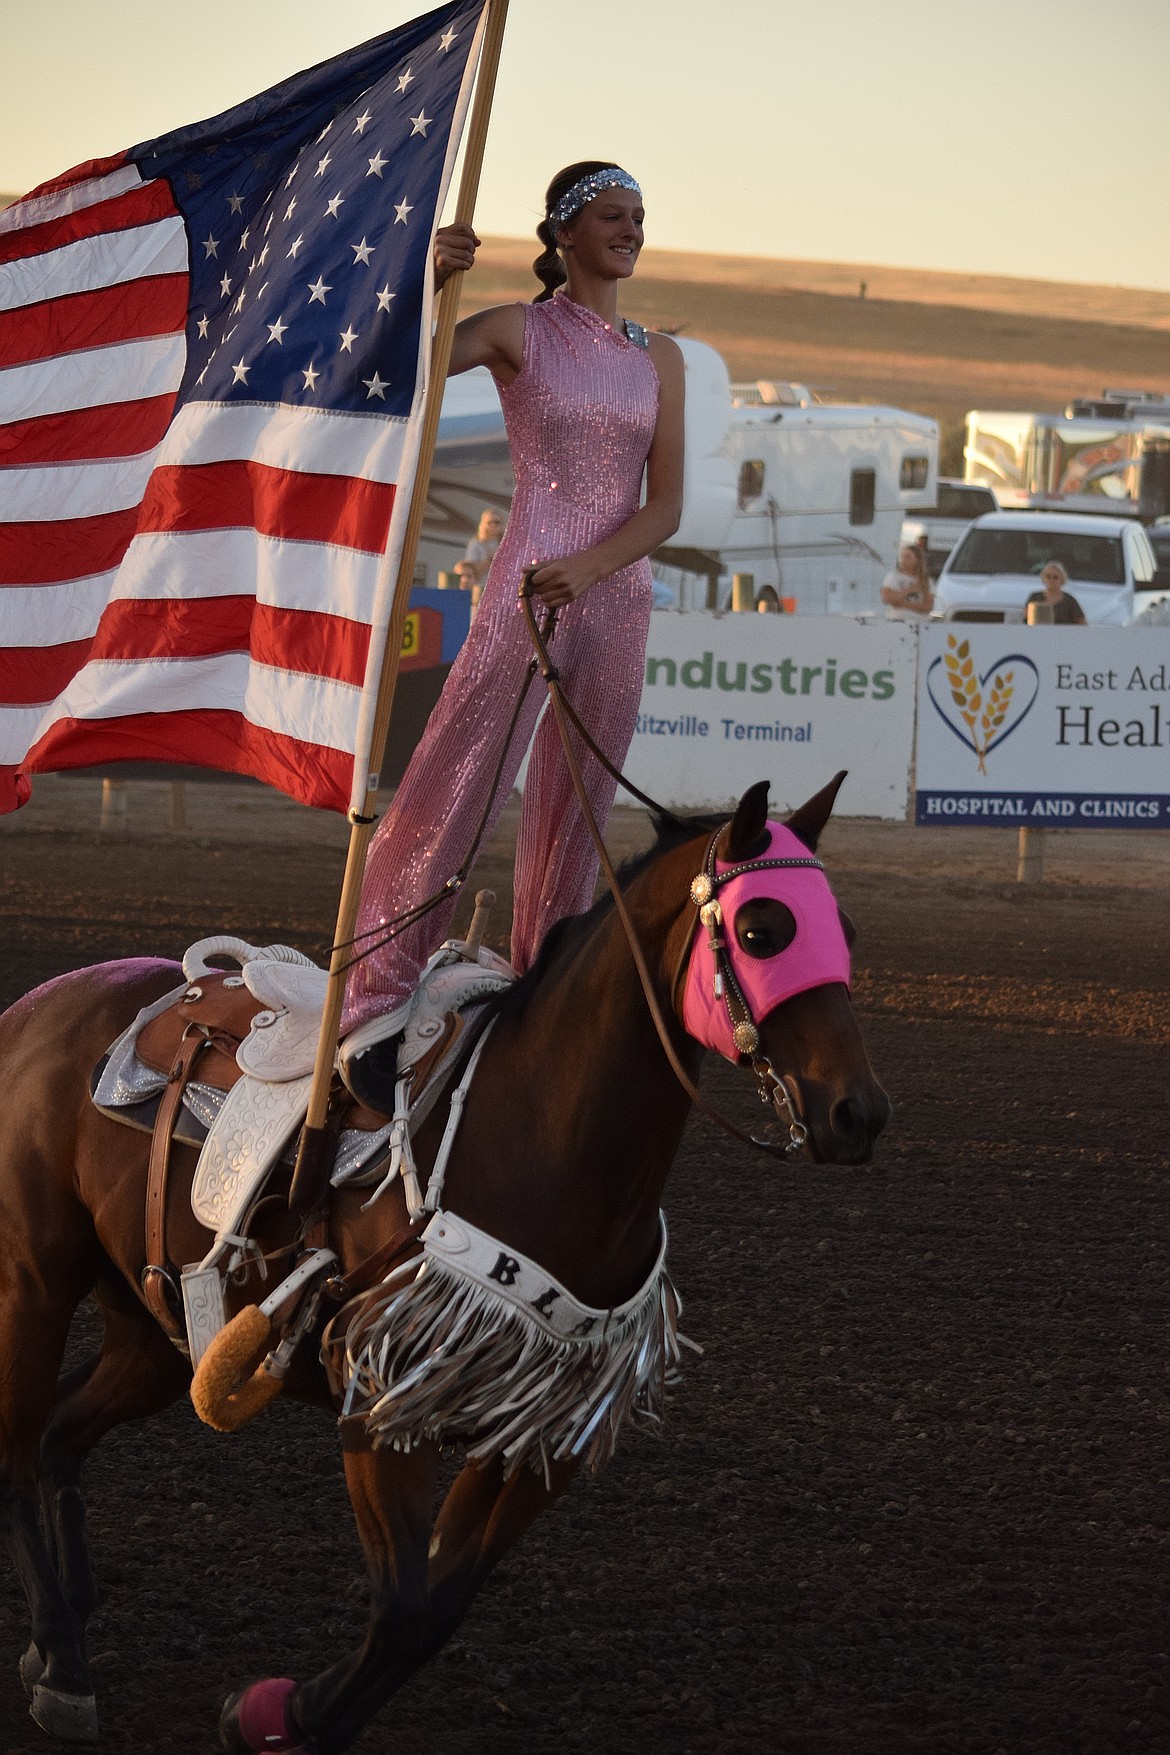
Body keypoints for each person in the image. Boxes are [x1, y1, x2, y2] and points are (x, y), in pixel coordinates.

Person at [340, 162, 685, 1107]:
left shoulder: (663, 358)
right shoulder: (516, 328)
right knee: (462, 780)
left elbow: (668, 509)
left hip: (617, 598)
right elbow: (400, 363)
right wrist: (428, 280)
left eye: (640, 218)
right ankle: (374, 999)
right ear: (564, 231)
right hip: (525, 589)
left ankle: (542, 1000)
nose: (631, 231)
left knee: (581, 806)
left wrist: (597, 567)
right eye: (613, 215)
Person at [453, 507, 505, 589]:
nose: (493, 525)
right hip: (481, 586)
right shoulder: (476, 544)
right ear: (484, 524)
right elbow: (470, 569)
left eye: (497, 522)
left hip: (501, 585)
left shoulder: (505, 543)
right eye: (490, 522)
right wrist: (490, 560)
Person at [880, 544, 934, 621]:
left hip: (920, 623)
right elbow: (886, 598)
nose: (903, 560)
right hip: (897, 621)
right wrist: (909, 590)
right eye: (902, 557)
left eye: (908, 557)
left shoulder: (926, 580)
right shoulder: (892, 577)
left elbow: (928, 607)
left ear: (917, 559)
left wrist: (902, 604)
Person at [1027, 560, 1085, 625]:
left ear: (1062, 579)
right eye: (1048, 576)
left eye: (1055, 577)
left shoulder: (1070, 601)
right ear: (1043, 578)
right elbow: (1025, 618)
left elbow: (1082, 623)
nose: (1051, 580)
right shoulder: (1035, 597)